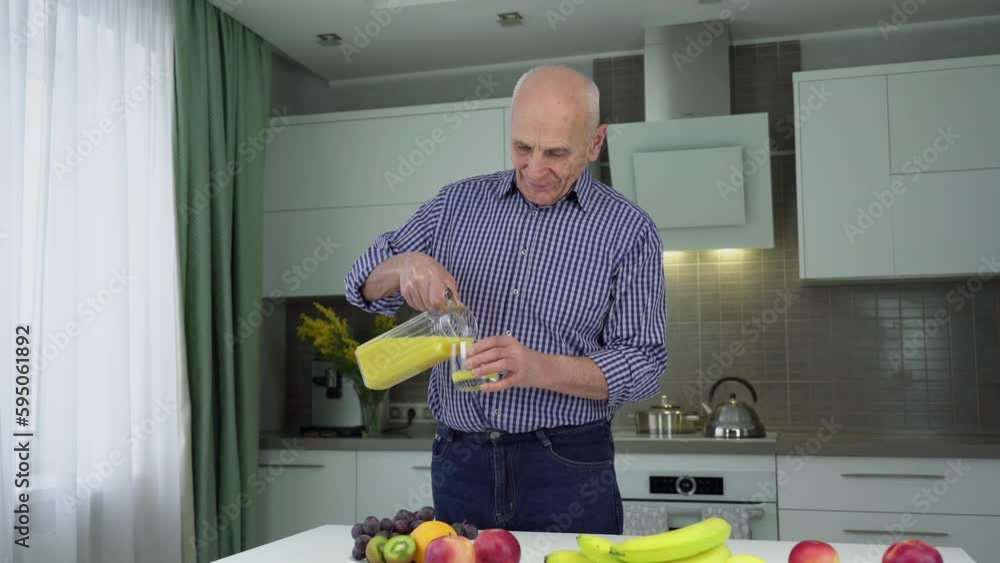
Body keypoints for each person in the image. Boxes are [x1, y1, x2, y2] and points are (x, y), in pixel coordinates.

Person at [345, 66, 667, 534]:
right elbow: (360, 284)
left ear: (595, 142)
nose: (534, 169)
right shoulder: (454, 206)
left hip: (566, 466)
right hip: (459, 460)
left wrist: (539, 368)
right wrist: (404, 265)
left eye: (556, 153)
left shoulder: (629, 231)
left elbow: (645, 364)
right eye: (522, 148)